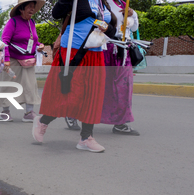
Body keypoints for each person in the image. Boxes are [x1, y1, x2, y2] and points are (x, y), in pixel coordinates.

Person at [33, 0, 118, 152]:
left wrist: (107, 27)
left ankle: (86, 138)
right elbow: (56, 13)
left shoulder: (103, 3)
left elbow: (112, 31)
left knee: (92, 96)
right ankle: (43, 121)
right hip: (72, 53)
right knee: (69, 95)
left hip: (95, 54)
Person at [0, 0, 45, 122]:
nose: (32, 9)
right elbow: (5, 41)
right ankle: (5, 112)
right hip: (13, 59)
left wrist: (39, 45)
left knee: (30, 86)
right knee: (9, 85)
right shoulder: (13, 22)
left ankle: (29, 112)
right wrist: (7, 60)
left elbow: (34, 41)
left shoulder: (32, 22)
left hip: (27, 60)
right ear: (21, 9)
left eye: (33, 7)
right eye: (29, 7)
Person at [100, 0, 140, 135]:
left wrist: (133, 14)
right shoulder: (103, 3)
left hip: (124, 51)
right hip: (108, 49)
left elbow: (134, 28)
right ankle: (75, 113)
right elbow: (99, 24)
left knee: (124, 87)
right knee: (100, 86)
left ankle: (120, 123)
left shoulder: (124, 5)